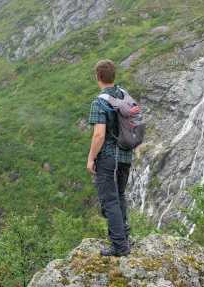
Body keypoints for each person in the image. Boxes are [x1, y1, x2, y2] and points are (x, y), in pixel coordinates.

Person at [87, 59, 132, 256]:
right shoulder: (124, 95)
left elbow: (99, 135)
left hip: (107, 157)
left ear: (98, 77)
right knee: (120, 195)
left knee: (109, 200)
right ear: (114, 76)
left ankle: (119, 245)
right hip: (125, 154)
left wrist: (90, 159)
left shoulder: (99, 103)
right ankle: (123, 233)